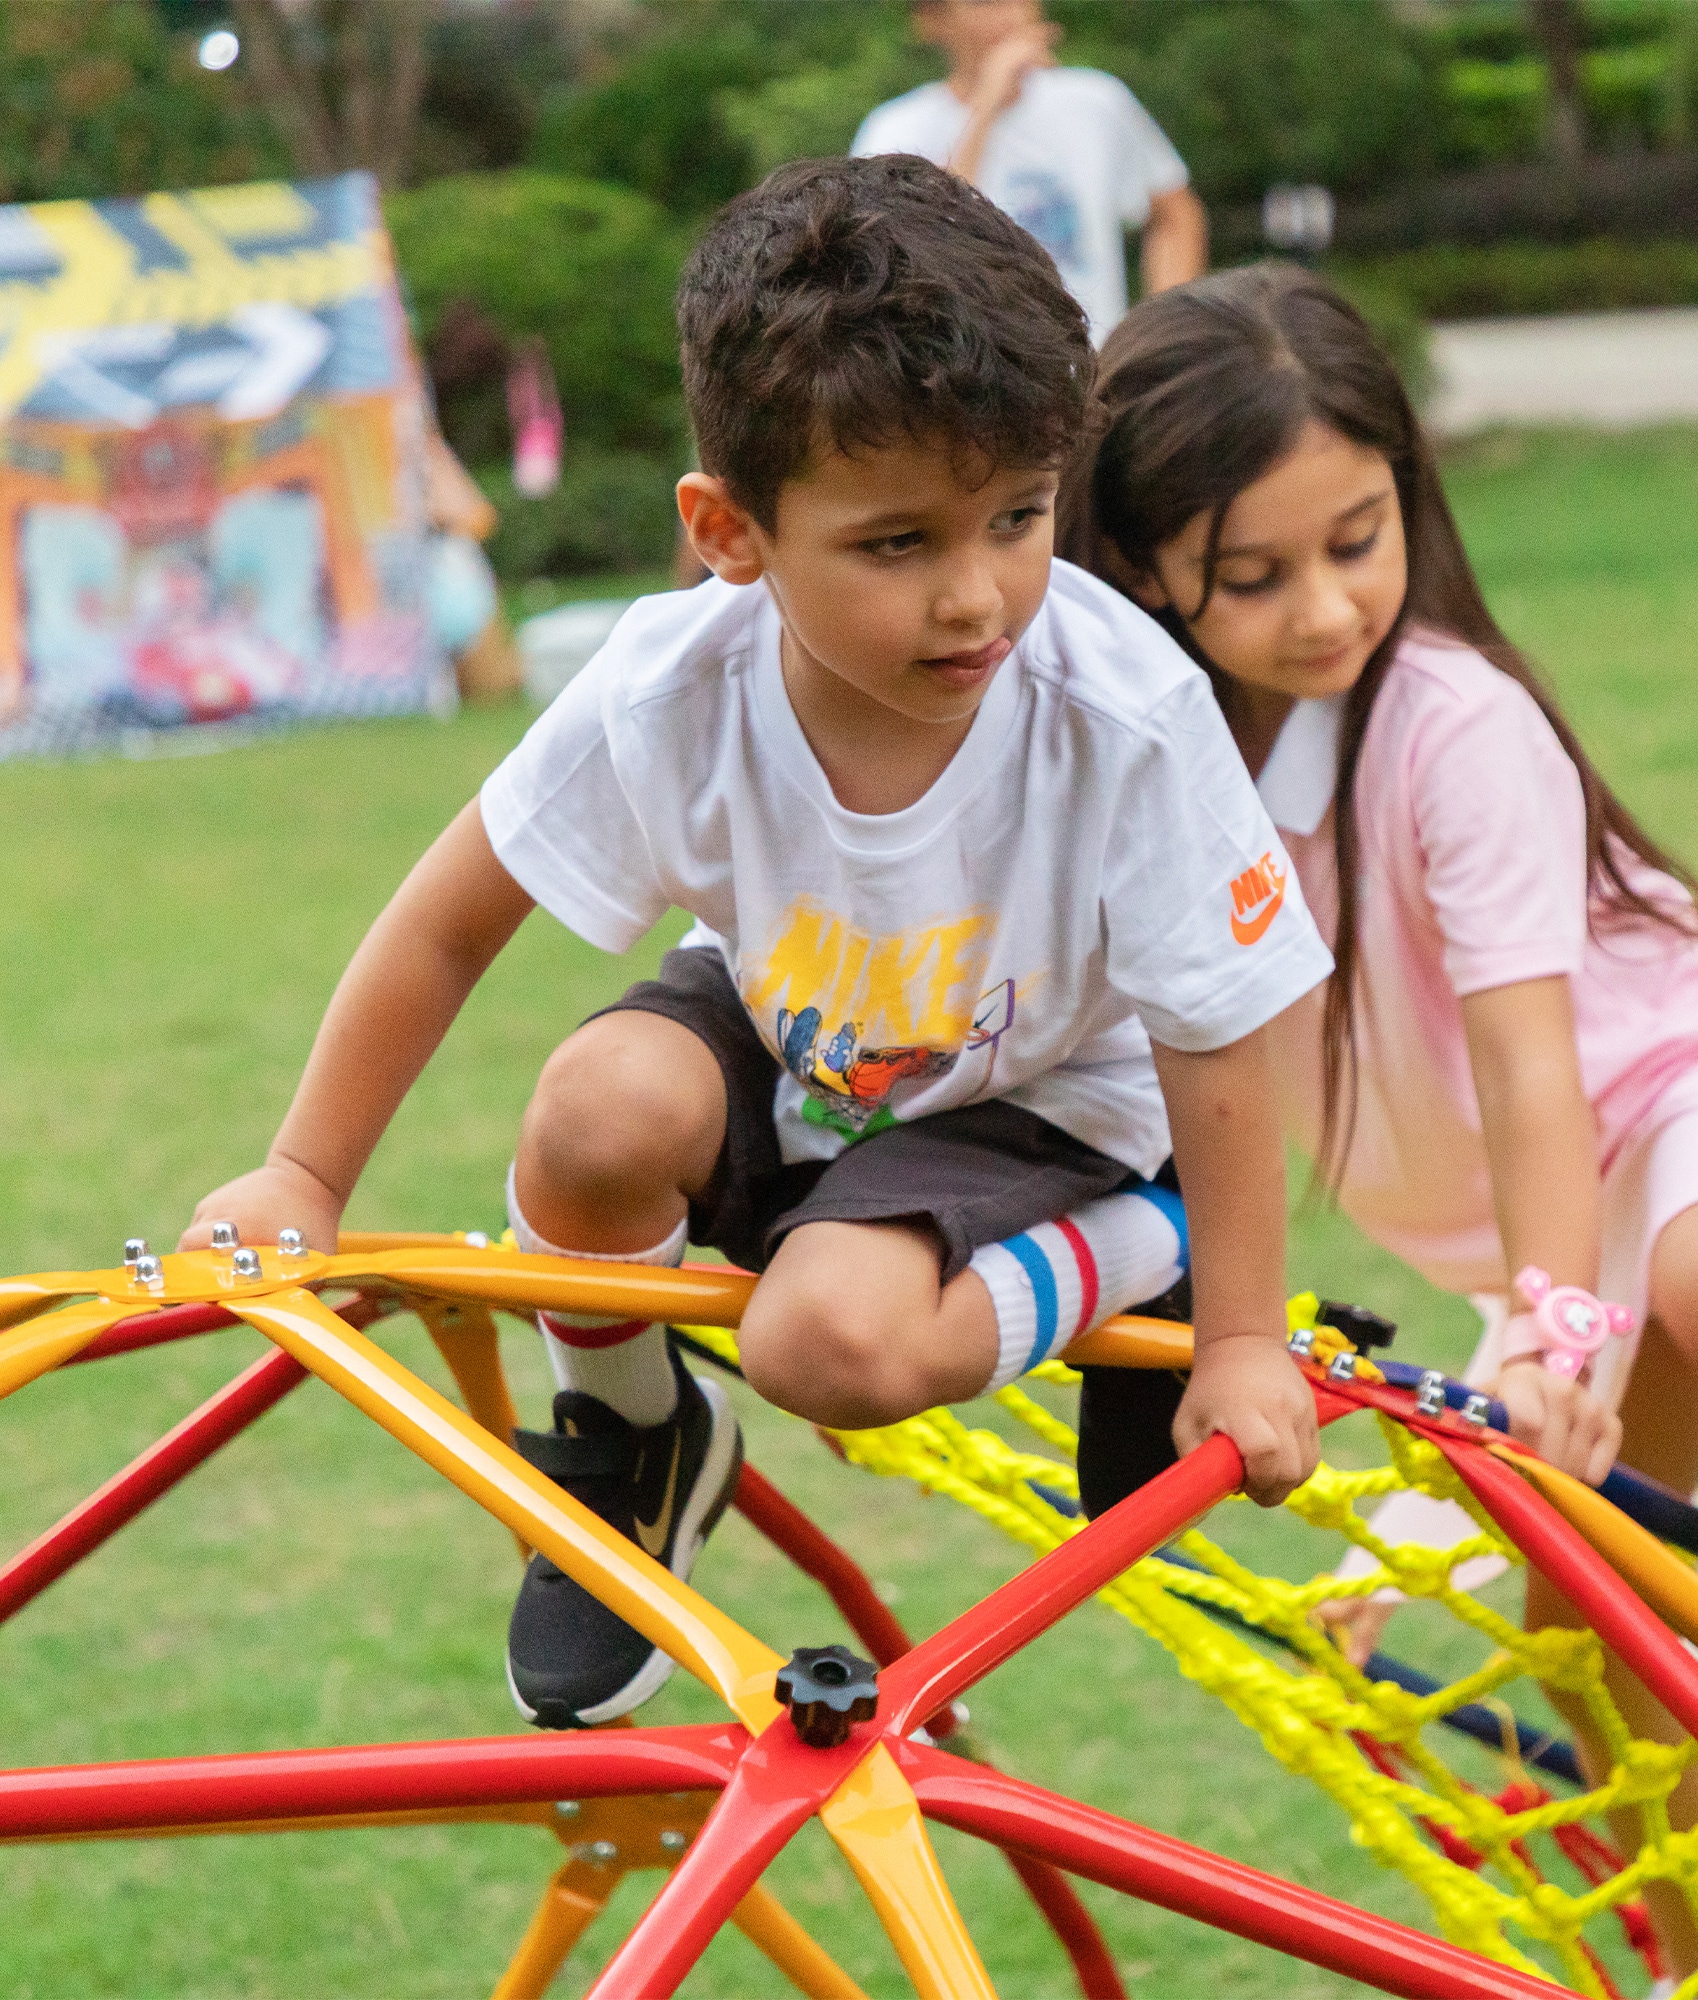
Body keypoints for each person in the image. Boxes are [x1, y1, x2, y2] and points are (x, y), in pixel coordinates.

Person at [179, 158, 1329, 1734]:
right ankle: (634, 1433)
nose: (979, 596)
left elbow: (1220, 1020)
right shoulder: (671, 688)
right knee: (593, 1113)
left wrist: (1246, 1336)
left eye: (1019, 518)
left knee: (824, 1333)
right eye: (900, 543)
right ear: (730, 532)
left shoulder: (1115, 709)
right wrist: (303, 1176)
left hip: (1054, 1095)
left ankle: (1156, 1237)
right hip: (807, 1037)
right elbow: (446, 928)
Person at [1057, 261, 1698, 1983]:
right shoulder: (1163, 764)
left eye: (1361, 536)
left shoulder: (1455, 720)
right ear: (1142, 571)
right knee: (1595, 1589)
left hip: (1674, 1093)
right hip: (1542, 1203)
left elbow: (1531, 1064)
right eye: (1254, 576)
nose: (1330, 606)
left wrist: (1557, 1327)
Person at [851, 0, 1205, 343]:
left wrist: (1157, 336)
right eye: (985, 3)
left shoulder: (1095, 102)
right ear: (930, 20)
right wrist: (985, 109)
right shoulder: (895, 129)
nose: (1012, 12)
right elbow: (909, 254)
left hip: (1096, 373)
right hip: (967, 376)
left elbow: (1176, 214)